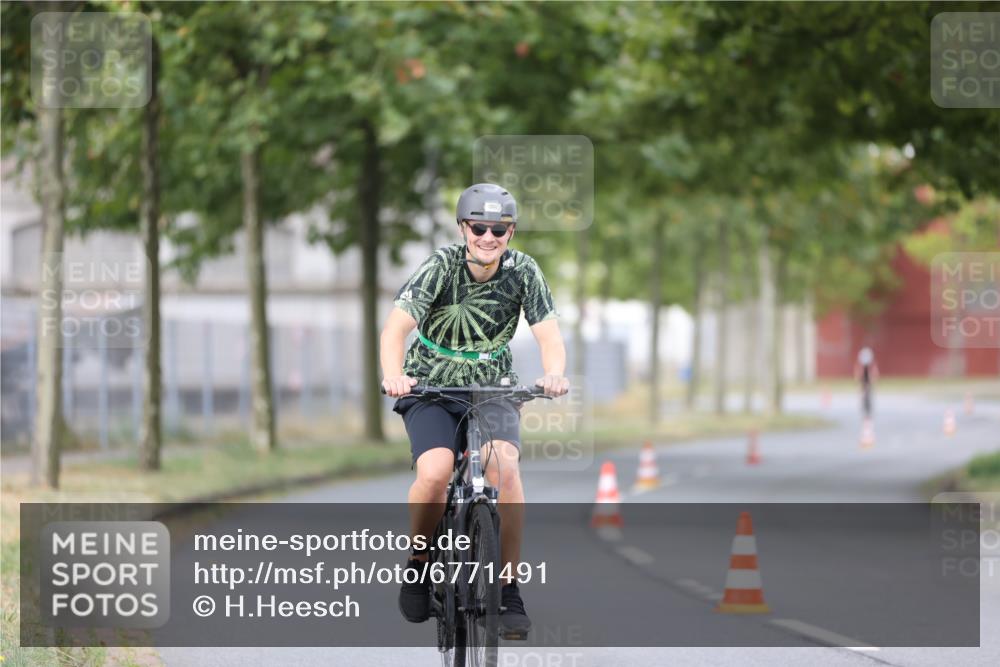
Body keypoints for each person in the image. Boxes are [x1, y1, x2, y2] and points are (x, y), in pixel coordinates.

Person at [380, 183, 570, 637]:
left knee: (504, 468)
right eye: (479, 227)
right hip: (429, 385)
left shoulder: (524, 270)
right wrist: (394, 374)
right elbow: (394, 330)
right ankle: (420, 562)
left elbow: (549, 336)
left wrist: (555, 373)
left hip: (492, 387)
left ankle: (508, 588)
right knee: (436, 470)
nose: (488, 236)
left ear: (511, 232)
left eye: (499, 229)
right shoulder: (440, 266)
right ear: (464, 227)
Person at [853, 346, 879, 418]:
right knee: (861, 391)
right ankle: (862, 404)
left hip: (869, 378)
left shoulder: (872, 364)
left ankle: (869, 406)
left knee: (870, 391)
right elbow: (857, 374)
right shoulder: (860, 364)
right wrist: (858, 381)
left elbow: (875, 373)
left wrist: (873, 380)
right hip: (862, 379)